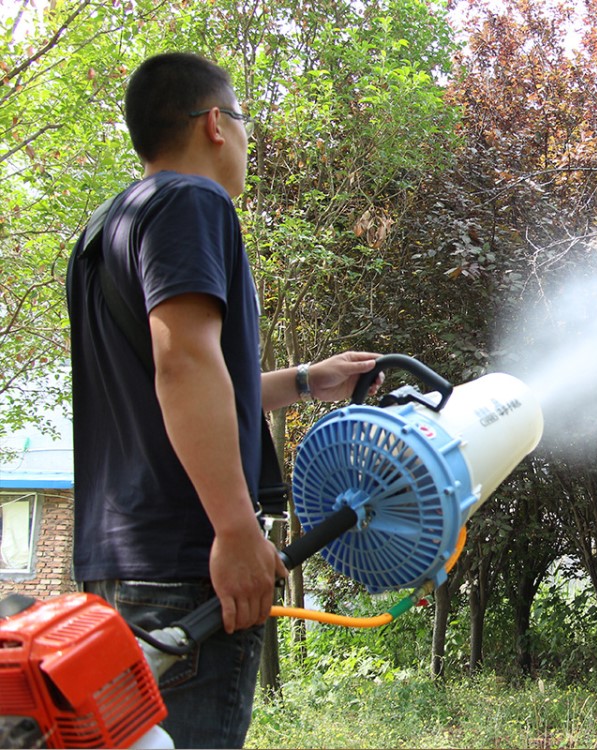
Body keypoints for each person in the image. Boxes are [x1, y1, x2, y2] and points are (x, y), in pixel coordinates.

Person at [66, 51, 381, 748]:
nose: (244, 139)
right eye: (241, 121)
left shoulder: (103, 229)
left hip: (114, 564)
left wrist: (305, 382)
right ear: (215, 123)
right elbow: (182, 365)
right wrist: (236, 530)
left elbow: (170, 378)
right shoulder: (192, 200)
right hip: (188, 563)